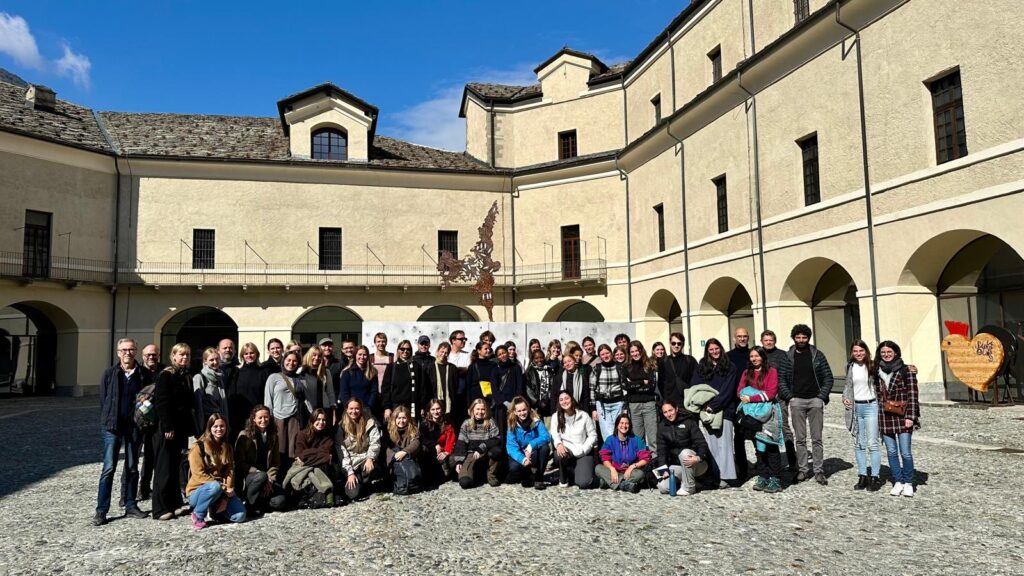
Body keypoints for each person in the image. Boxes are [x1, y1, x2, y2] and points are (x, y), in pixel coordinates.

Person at [94, 338, 150, 526]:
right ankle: (101, 510)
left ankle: (131, 504)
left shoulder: (143, 374)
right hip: (113, 427)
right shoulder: (110, 373)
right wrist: (109, 418)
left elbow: (148, 398)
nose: (127, 353)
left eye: (131, 349)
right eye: (124, 350)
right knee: (109, 468)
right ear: (118, 353)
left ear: (135, 351)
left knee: (132, 467)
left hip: (134, 427)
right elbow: (104, 399)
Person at [779, 324, 834, 485]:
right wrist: (790, 397)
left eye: (804, 337)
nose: (801, 340)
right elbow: (782, 379)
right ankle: (803, 470)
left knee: (817, 438)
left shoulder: (817, 355)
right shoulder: (788, 356)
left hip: (815, 401)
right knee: (800, 439)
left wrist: (821, 396)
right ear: (794, 338)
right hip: (797, 401)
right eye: (798, 337)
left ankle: (818, 470)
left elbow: (828, 377)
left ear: (808, 338)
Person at [151, 343, 196, 521]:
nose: (184, 358)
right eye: (181, 355)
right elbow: (162, 402)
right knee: (163, 468)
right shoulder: (166, 375)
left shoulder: (184, 375)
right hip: (166, 429)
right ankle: (160, 508)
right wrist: (168, 426)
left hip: (180, 428)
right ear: (174, 356)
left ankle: (175, 504)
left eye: (187, 355)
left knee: (175, 466)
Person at [692, 338, 739, 487]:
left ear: (721, 348)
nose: (714, 352)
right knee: (712, 444)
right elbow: (696, 386)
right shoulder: (702, 366)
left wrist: (715, 405)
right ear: (707, 351)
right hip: (707, 410)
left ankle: (727, 476)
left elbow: (728, 390)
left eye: (716, 348)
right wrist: (704, 404)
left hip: (725, 409)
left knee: (724, 444)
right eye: (711, 349)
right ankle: (715, 474)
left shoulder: (730, 366)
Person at [185, 413, 246, 528]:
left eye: (222, 426)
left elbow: (230, 471)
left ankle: (214, 510)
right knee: (214, 487)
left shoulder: (227, 447)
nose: (219, 429)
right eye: (215, 426)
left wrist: (226, 496)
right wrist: (221, 487)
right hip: (199, 491)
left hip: (221, 489)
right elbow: (198, 474)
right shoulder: (198, 447)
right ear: (210, 428)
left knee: (240, 516)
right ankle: (198, 514)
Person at [875, 341, 919, 497]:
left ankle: (908, 483)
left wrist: (911, 417)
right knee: (891, 452)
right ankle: (898, 481)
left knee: (906, 452)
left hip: (903, 415)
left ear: (895, 352)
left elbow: (913, 395)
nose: (886, 355)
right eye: (883, 352)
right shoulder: (876, 371)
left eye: (889, 352)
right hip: (885, 416)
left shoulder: (906, 370)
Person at [737, 347, 784, 493]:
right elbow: (740, 391)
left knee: (770, 445)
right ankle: (763, 475)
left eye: (757, 356)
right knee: (758, 446)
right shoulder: (746, 373)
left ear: (762, 357)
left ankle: (775, 479)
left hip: (768, 414)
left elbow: (771, 393)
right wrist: (747, 397)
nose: (754, 359)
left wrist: (751, 398)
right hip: (752, 414)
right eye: (751, 356)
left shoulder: (771, 372)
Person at [841, 340, 883, 492]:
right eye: (855, 351)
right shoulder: (850, 367)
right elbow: (848, 386)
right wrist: (845, 398)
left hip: (871, 406)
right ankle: (862, 475)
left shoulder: (873, 365)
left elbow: (890, 371)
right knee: (859, 443)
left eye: (861, 351)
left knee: (872, 443)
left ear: (866, 351)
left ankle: (875, 476)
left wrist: (909, 368)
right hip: (855, 407)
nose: (858, 354)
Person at [234, 405, 287, 515]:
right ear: (253, 419)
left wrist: (270, 478)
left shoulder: (273, 436)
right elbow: (240, 462)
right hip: (250, 476)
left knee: (280, 501)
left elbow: (276, 463)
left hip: (267, 476)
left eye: (266, 417)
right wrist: (260, 474)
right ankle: (249, 504)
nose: (263, 420)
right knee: (261, 476)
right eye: (260, 418)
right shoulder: (244, 436)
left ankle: (260, 502)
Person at [656, 400, 710, 495]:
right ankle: (689, 482)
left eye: (670, 410)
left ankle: (689, 488)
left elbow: (702, 444)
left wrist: (698, 457)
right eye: (665, 412)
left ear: (676, 409)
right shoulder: (661, 428)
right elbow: (661, 452)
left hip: (697, 463)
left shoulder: (689, 422)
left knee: (684, 453)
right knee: (662, 487)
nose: (668, 414)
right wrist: (663, 472)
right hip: (678, 466)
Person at [760, 330, 796, 472]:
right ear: (762, 341)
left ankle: (792, 460)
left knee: (785, 428)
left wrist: (786, 394)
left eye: (771, 340)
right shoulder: (758, 355)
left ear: (774, 341)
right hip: (762, 399)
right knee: (763, 430)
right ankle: (764, 461)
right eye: (766, 340)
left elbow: (789, 375)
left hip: (779, 398)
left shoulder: (782, 355)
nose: (768, 342)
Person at [285, 408, 336, 507]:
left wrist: (306, 454)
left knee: (323, 466)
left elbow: (326, 454)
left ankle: (324, 494)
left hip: (321, 467)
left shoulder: (328, 437)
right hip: (304, 468)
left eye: (324, 420)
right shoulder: (302, 434)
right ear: (312, 420)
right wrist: (322, 454)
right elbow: (300, 455)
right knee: (314, 469)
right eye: (318, 419)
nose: (321, 422)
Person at [264, 350, 307, 465]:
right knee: (279, 449)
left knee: (293, 450)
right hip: (278, 418)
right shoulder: (274, 377)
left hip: (295, 418)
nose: (291, 363)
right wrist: (269, 419)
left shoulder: (301, 379)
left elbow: (305, 400)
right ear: (284, 361)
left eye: (294, 361)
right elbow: (268, 400)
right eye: (288, 360)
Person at [335, 398, 383, 501]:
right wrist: (350, 473)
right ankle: (358, 483)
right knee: (353, 494)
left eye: (357, 408)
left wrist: (370, 458)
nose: (354, 411)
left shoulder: (369, 422)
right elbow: (342, 452)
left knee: (374, 468)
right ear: (346, 410)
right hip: (350, 462)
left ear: (361, 409)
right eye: (351, 408)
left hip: (365, 459)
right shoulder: (341, 427)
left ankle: (365, 481)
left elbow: (375, 442)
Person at [549, 391, 598, 489]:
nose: (564, 402)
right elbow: (554, 434)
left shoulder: (584, 415)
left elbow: (593, 435)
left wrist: (584, 449)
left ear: (572, 399)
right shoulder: (556, 417)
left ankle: (573, 472)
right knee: (559, 455)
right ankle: (563, 478)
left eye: (566, 398)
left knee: (584, 483)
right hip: (568, 451)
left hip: (583, 451)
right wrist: (558, 444)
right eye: (561, 400)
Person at [453, 399, 503, 489]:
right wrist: (459, 461)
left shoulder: (491, 422)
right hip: (471, 454)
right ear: (472, 410)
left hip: (486, 453)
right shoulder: (466, 423)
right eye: (477, 409)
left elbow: (496, 439)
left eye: (482, 409)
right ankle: (473, 475)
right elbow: (461, 443)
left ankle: (491, 475)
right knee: (465, 482)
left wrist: (481, 448)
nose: (480, 412)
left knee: (497, 451)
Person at [137, 343, 165, 502]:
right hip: (140, 419)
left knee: (151, 455)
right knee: (133, 457)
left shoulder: (164, 371)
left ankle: (146, 487)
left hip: (157, 421)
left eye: (154, 354)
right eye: (148, 355)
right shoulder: (138, 371)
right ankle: (130, 492)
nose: (151, 357)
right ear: (143, 356)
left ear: (158, 355)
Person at [596, 414, 651, 492]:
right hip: (614, 471)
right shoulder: (610, 439)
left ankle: (609, 482)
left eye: (627, 423)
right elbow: (605, 458)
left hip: (630, 472)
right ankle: (623, 484)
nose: (624, 426)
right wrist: (612, 469)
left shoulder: (636, 440)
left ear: (630, 425)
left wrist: (633, 466)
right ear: (617, 425)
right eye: (621, 423)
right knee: (598, 468)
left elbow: (645, 458)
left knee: (640, 474)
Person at [506, 396, 551, 490]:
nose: (522, 413)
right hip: (521, 454)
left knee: (545, 448)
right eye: (519, 411)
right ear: (514, 412)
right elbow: (511, 447)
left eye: (524, 410)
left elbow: (546, 436)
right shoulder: (512, 424)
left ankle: (539, 477)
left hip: (534, 452)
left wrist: (531, 445)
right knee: (514, 467)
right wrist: (523, 459)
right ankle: (527, 475)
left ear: (528, 408)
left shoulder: (536, 420)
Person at [624, 340, 658, 454]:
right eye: (632, 351)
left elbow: (652, 386)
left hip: (649, 404)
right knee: (638, 438)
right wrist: (642, 382)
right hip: (634, 405)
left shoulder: (649, 364)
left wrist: (633, 383)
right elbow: (625, 386)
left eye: (637, 350)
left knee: (653, 437)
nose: (635, 353)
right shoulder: (626, 367)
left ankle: (655, 462)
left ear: (641, 350)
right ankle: (642, 462)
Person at [727, 327, 752, 480]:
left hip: (755, 402)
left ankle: (763, 466)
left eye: (745, 336)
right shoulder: (728, 356)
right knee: (739, 436)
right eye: (739, 336)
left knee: (758, 436)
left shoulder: (754, 354)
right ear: (734, 338)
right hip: (736, 402)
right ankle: (743, 469)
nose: (742, 339)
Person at [227, 342, 263, 445]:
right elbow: (232, 392)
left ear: (256, 354)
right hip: (238, 414)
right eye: (246, 354)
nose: (249, 356)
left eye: (252, 353)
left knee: (254, 442)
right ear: (242, 356)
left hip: (256, 413)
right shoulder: (236, 371)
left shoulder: (263, 372)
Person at [590, 344, 627, 439]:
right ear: (599, 356)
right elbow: (592, 389)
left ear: (611, 353)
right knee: (607, 433)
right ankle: (611, 452)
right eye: (602, 354)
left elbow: (624, 387)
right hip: (602, 405)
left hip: (618, 403)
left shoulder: (619, 367)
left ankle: (620, 452)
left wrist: (625, 404)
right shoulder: (596, 368)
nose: (605, 356)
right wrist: (594, 409)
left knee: (619, 429)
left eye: (607, 353)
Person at [382, 340, 426, 422]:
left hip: (412, 407)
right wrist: (387, 407)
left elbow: (422, 388)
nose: (405, 351)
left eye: (408, 349)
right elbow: (385, 389)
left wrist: (422, 407)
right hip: (395, 407)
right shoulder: (391, 367)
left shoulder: (417, 367)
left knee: (411, 432)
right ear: (398, 350)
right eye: (402, 349)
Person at [489, 344, 525, 440]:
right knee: (502, 429)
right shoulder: (495, 370)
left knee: (515, 429)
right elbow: (494, 389)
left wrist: (515, 402)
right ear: (497, 357)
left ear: (507, 353)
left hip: (514, 404)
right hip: (501, 405)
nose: (502, 355)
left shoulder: (516, 367)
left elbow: (519, 385)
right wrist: (504, 402)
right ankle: (503, 452)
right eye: (499, 354)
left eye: (504, 353)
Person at [193, 347, 229, 437]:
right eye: (211, 360)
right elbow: (198, 404)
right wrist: (200, 427)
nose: (215, 362)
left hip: (219, 421)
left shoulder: (220, 377)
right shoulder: (200, 377)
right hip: (207, 422)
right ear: (205, 361)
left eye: (217, 359)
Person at [386, 405, 422, 495]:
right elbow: (385, 447)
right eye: (398, 418)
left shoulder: (413, 430)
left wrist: (404, 452)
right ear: (394, 419)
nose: (401, 421)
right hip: (394, 460)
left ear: (408, 419)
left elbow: (416, 443)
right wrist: (394, 456)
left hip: (408, 459)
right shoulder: (389, 431)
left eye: (404, 418)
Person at [419, 399, 456, 487]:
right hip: (432, 452)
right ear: (429, 411)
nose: (436, 412)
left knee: (454, 459)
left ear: (442, 409)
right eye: (433, 409)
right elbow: (422, 439)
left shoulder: (447, 422)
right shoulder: (424, 424)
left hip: (445, 452)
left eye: (438, 409)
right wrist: (435, 445)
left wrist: (447, 452)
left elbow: (451, 439)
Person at [659, 332, 696, 407]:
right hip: (669, 403)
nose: (676, 346)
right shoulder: (664, 361)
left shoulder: (690, 360)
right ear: (670, 344)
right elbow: (660, 383)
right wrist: (666, 398)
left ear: (683, 344)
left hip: (686, 401)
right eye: (673, 343)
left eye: (679, 343)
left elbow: (695, 380)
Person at [302, 347, 336, 424]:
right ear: (309, 355)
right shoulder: (301, 372)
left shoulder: (326, 372)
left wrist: (333, 412)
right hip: (306, 409)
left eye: (319, 356)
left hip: (324, 409)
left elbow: (330, 392)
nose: (317, 358)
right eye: (314, 355)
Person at [339, 345, 378, 410]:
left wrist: (369, 407)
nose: (362, 357)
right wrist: (349, 408)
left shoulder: (372, 372)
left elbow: (374, 392)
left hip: (367, 408)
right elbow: (344, 393)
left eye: (364, 355)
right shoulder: (347, 373)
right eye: (359, 354)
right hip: (351, 410)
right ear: (355, 355)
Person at [425, 342, 458, 416]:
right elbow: (426, 387)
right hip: (433, 404)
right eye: (442, 352)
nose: (443, 354)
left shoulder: (452, 368)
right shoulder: (429, 367)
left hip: (448, 404)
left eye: (446, 353)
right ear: (437, 352)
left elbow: (455, 386)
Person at [448, 330, 472, 427]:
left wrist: (454, 370)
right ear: (453, 340)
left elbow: (467, 369)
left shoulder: (467, 355)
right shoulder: (447, 354)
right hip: (449, 393)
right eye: (461, 339)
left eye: (464, 339)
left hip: (462, 393)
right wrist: (459, 370)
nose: (463, 341)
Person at [525, 348, 555, 415]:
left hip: (547, 405)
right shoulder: (529, 372)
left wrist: (545, 399)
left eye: (541, 357)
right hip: (534, 406)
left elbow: (552, 387)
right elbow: (528, 389)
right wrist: (537, 402)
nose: (539, 360)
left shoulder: (549, 370)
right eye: (536, 358)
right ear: (533, 359)